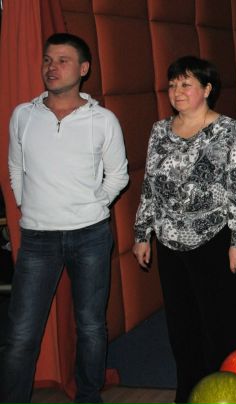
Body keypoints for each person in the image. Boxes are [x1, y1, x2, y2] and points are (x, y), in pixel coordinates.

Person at [0, 33, 129, 404]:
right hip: (37, 238)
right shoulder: (23, 116)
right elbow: (15, 167)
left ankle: (88, 397)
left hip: (90, 235)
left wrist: (92, 205)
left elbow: (118, 175)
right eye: (47, 60)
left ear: (83, 69)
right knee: (21, 333)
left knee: (90, 326)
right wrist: (28, 205)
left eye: (62, 60)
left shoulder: (103, 120)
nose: (51, 67)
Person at [132, 56, 236, 404]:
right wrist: (142, 233)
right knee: (181, 325)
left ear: (207, 89)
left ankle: (232, 393)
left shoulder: (228, 130)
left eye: (186, 84)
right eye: (173, 84)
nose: (177, 91)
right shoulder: (159, 131)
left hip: (214, 238)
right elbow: (150, 185)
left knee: (222, 324)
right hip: (169, 241)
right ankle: (190, 393)